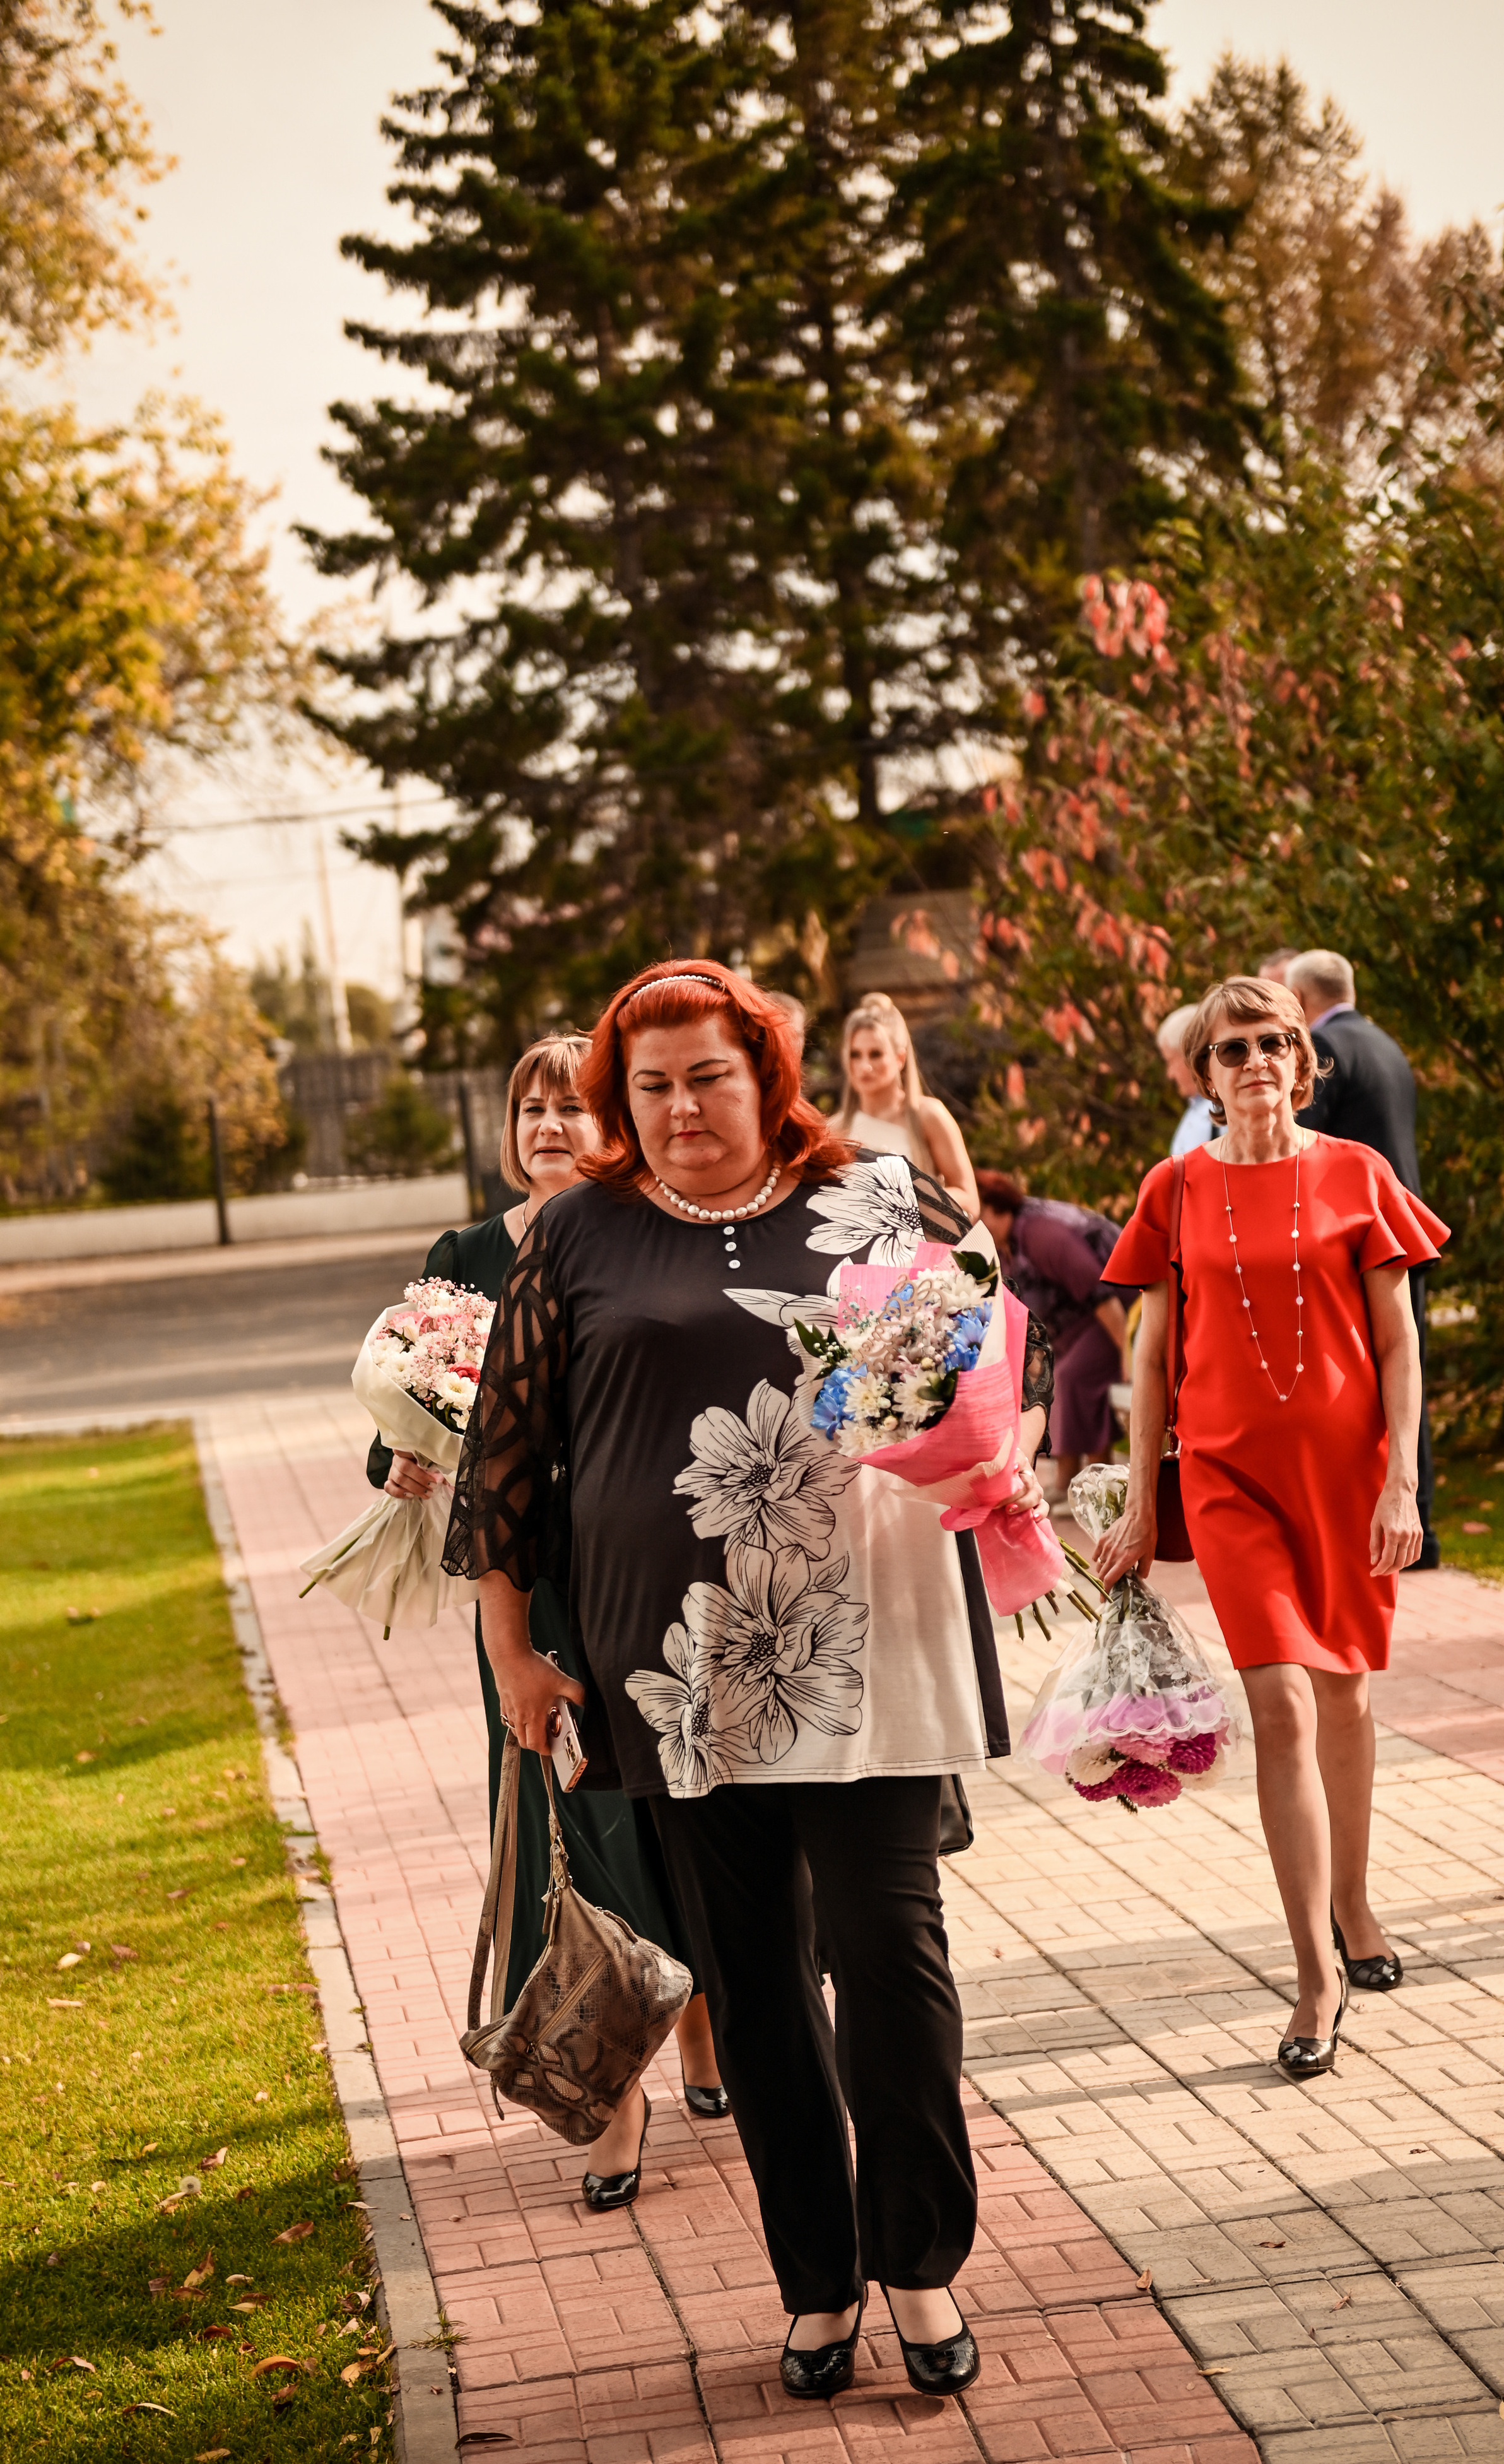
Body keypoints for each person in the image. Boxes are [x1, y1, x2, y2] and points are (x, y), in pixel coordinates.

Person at [444, 960, 1052, 2404]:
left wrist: (981, 1433)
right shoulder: (579, 1230)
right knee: (759, 1981)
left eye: (704, 1074)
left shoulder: (874, 1188)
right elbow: (506, 1448)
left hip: (871, 1646)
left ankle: (917, 2259)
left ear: (762, 1071)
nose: (675, 1107)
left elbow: (986, 1328)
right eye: (645, 1085)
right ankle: (815, 2278)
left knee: (889, 1956)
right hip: (675, 1668)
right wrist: (515, 1648)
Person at [365, 1031, 727, 2203]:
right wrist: (404, 1460)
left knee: (672, 1803)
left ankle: (705, 2021)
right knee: (571, 1822)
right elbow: (412, 1415)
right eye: (529, 1108)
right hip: (528, 1589)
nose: (547, 1128)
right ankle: (612, 2095)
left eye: (572, 1106)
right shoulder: (467, 1255)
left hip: (650, 1573)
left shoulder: (647, 1233)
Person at [1093, 977, 1448, 2080]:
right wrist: (1144, 1495)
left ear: (1304, 1064)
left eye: (1277, 1044)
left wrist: (1404, 1487)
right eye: (1232, 1047)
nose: (1255, 1061)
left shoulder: (1357, 1175)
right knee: (1284, 1702)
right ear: (1203, 1075)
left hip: (1349, 1481)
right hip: (1228, 1480)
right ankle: (1313, 1973)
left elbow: (1399, 1344)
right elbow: (1151, 1355)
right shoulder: (1176, 1187)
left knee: (1345, 1693)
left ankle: (1356, 1901)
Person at [1286, 950, 1440, 1570]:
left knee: (1365, 1377)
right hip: (1403, 1225)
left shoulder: (1324, 1045)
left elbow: (1300, 1138)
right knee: (1406, 1369)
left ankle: (1365, 1523)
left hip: (1354, 1231)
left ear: (1300, 998)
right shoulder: (1385, 1043)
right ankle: (1419, 1528)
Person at [977, 1169, 1129, 1490]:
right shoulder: (1007, 1245)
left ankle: (1090, 1480)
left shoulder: (1040, 1234)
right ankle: (1076, 1480)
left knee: (1074, 1374)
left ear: (994, 1208)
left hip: (1125, 1308)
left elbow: (1100, 1292)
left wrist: (1128, 1354)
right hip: (1087, 1318)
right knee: (1054, 1371)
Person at [826, 991, 978, 1216]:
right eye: (855, 1055)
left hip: (920, 1244)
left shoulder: (928, 1115)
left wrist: (911, 1197)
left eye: (876, 1054)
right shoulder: (834, 1131)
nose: (865, 1066)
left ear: (900, 1058)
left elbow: (970, 1200)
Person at [1156, 1003, 1218, 1156]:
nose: (1170, 1074)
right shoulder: (1196, 1110)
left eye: (1170, 1060)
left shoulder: (1224, 1111)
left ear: (1191, 1056)